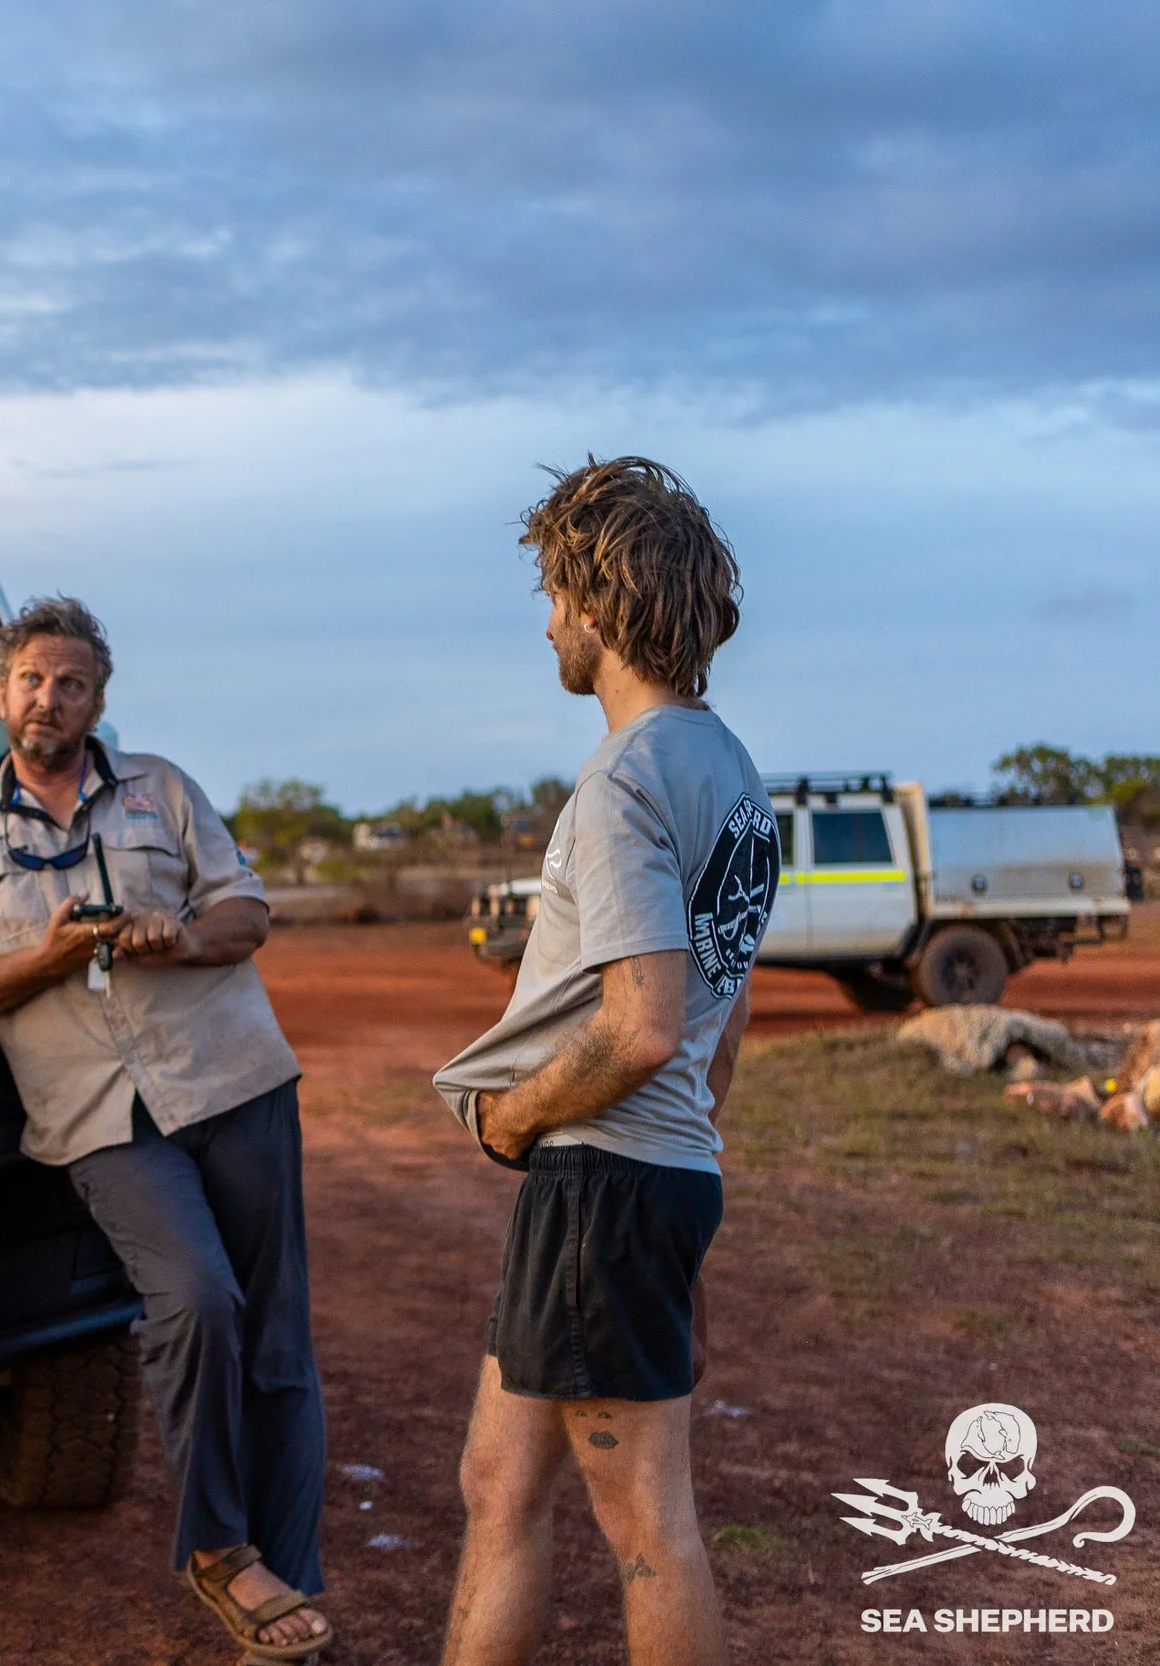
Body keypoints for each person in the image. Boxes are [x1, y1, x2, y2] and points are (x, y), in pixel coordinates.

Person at [0, 598, 331, 1662]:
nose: (47, 698)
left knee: (277, 1338)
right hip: (99, 1116)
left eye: (69, 682)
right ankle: (218, 1549)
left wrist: (178, 933)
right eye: (30, 679)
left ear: (98, 699)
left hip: (231, 1079)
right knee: (195, 1298)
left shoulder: (161, 788)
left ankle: (283, 1565)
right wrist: (53, 956)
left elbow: (247, 910)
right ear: (0, 691)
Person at [432, 457, 775, 1666]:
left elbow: (643, 1023)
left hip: (603, 1182)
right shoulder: (730, 771)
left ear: (599, 601)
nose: (544, 623)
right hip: (650, 1177)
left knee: (645, 1528)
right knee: (496, 1478)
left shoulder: (625, 777)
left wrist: (512, 1119)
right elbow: (718, 1030)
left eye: (551, 594)